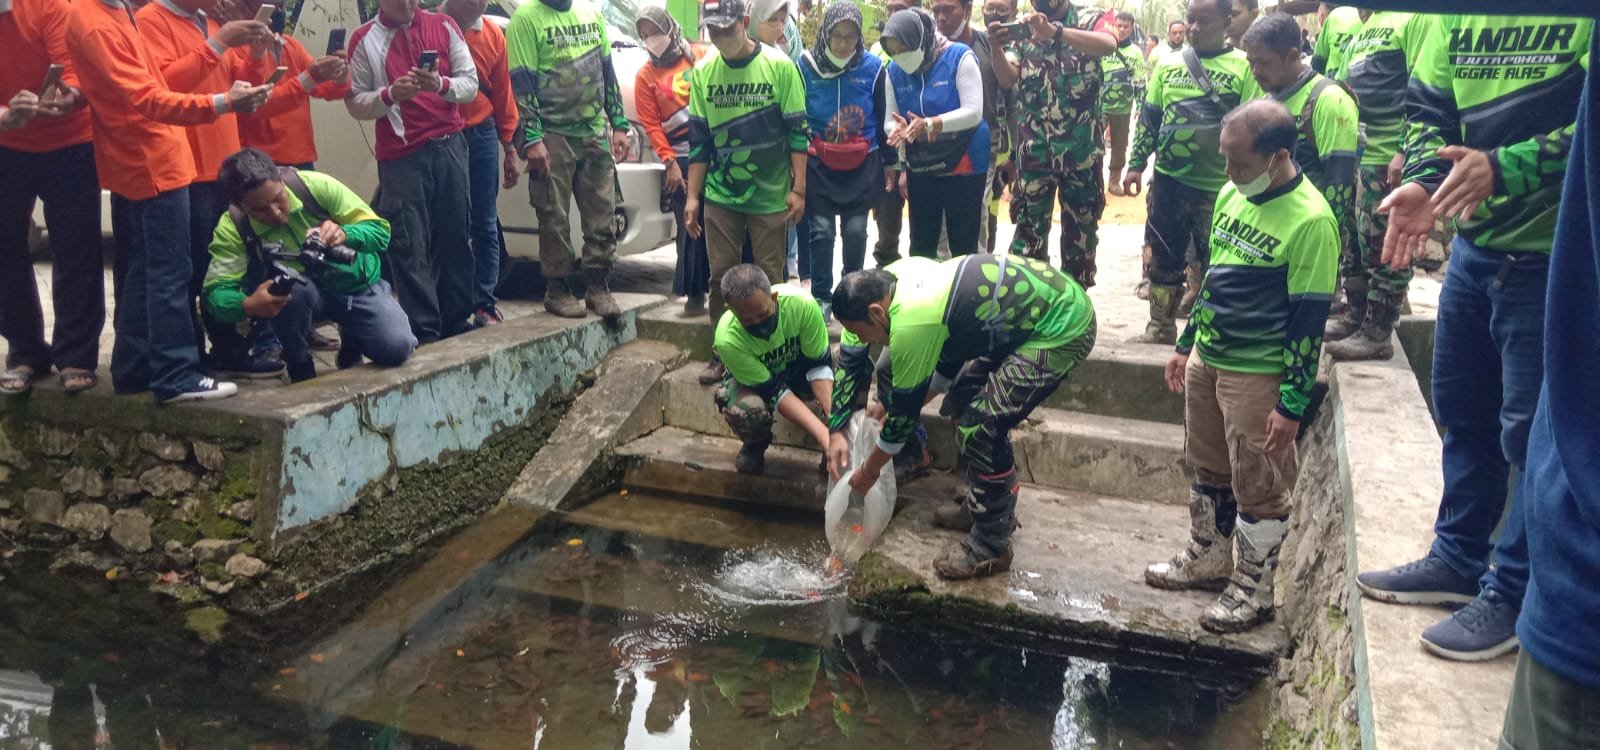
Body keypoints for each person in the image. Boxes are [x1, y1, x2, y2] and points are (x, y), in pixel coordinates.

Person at [1356, 14, 1589, 662]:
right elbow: (1430, 107)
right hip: (1475, 252)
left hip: (1556, 258)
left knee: (1531, 439)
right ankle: (1459, 559)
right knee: (1463, 409)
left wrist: (1503, 168)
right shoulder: (1459, 14)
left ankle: (1513, 594)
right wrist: (1428, 179)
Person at [1144, 100, 1338, 633]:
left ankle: (1253, 591)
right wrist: (1187, 343)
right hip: (1212, 354)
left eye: (1236, 161)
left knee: (1260, 483)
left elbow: (1307, 320)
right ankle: (1208, 556)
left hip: (1258, 369)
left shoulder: (1312, 221)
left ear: (1277, 157)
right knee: (1207, 465)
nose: (1226, 172)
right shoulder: (1232, 194)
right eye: (1223, 159)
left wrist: (1291, 403)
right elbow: (1214, 278)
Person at [829, 253, 1097, 579]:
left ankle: (990, 543)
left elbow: (901, 425)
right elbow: (944, 366)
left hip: (1062, 326)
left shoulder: (912, 321)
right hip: (1022, 320)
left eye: (861, 333)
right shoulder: (897, 278)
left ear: (876, 312)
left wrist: (867, 474)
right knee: (961, 401)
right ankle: (984, 503)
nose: (862, 340)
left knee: (982, 425)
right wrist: (893, 403)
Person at [65, 0, 272, 403]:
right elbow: (148, 98)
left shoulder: (114, 11)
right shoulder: (97, 22)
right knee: (169, 273)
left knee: (147, 271)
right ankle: (175, 373)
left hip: (160, 156)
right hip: (151, 160)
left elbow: (147, 85)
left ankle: (135, 369)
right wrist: (223, 102)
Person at [136, 0, 285, 379]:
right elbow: (162, 87)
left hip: (224, 167)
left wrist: (254, 53)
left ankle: (230, 348)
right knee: (191, 272)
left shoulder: (207, 21)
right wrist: (218, 42)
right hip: (187, 168)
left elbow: (239, 79)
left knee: (230, 264)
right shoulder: (151, 20)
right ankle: (190, 356)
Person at [204, 148, 416, 381]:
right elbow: (216, 293)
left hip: (356, 286)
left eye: (278, 199)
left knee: (397, 347)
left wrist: (346, 234)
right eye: (260, 210)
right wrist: (247, 304)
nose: (275, 213)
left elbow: (381, 232)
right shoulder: (233, 226)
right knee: (291, 288)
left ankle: (352, 339)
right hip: (300, 298)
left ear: (281, 179)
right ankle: (299, 362)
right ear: (240, 206)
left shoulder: (316, 187)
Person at [1124, 0, 1262, 344]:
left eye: (1204, 21)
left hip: (1220, 188)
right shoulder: (1168, 65)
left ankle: (1215, 333)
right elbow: (1150, 119)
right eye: (1191, 20)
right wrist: (1135, 165)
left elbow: (1252, 126)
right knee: (1164, 260)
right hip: (1169, 182)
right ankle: (1160, 327)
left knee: (1218, 261)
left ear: (1227, 21)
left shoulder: (1244, 68)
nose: (1195, 28)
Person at [685, 0, 809, 384]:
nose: (722, 38)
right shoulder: (704, 73)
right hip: (722, 195)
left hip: (771, 195)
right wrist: (693, 197)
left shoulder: (779, 67)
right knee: (721, 276)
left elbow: (798, 132)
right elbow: (699, 142)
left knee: (771, 279)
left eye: (728, 29)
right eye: (714, 31)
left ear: (744, 22)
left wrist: (799, 189)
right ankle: (724, 352)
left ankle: (776, 353)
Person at [347, 0, 479, 343]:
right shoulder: (364, 39)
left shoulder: (443, 25)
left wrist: (439, 85)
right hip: (402, 155)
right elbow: (356, 103)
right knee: (409, 241)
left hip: (449, 143)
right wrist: (390, 95)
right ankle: (424, 326)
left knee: (454, 234)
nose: (406, 3)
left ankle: (457, 318)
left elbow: (470, 84)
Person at [0, 0, 102, 396]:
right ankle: (25, 351)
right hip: (7, 141)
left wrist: (71, 95)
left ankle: (76, 355)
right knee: (5, 247)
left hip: (70, 141)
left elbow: (76, 65)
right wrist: (6, 116)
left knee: (76, 246)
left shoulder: (47, 5)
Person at [506, 0, 631, 321]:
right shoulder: (525, 19)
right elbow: (521, 83)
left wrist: (618, 123)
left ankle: (598, 286)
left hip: (592, 132)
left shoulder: (591, 14)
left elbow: (606, 70)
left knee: (602, 213)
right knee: (554, 216)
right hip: (552, 134)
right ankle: (557, 288)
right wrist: (532, 138)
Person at [1321, 11, 1432, 361]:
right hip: (1358, 154)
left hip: (1388, 160)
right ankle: (1356, 316)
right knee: (1353, 242)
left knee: (1384, 246)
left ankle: (1378, 332)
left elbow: (1422, 89)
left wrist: (1404, 149)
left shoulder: (1410, 18)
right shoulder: (1363, 26)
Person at [988, 0, 1115, 286]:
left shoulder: (1091, 16)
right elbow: (1008, 78)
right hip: (1035, 157)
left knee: (1080, 246)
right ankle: (1033, 315)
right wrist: (996, 47)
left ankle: (1075, 317)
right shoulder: (1023, 28)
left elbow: (1108, 44)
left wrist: (1056, 32)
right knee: (1027, 245)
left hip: (1081, 156)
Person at [1243, 13, 1357, 263]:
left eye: (1264, 63)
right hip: (1271, 234)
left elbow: (1339, 183)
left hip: (1307, 236)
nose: (1254, 72)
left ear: (1292, 56)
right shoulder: (1268, 99)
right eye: (1251, 62)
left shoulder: (1328, 100)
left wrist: (1323, 245)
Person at [800, 0, 888, 320]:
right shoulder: (806, 65)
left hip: (861, 164)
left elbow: (882, 114)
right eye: (837, 35)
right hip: (819, 164)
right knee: (821, 231)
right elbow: (797, 113)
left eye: (851, 36)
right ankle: (822, 298)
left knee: (856, 230)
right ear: (825, 33)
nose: (843, 43)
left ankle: (850, 295)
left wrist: (889, 166)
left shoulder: (873, 67)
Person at [882, 8, 988, 260]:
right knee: (921, 241)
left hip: (965, 157)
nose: (900, 57)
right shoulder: (893, 71)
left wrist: (931, 124)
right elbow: (890, 119)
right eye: (893, 51)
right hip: (923, 161)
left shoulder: (959, 57)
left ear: (920, 39)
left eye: (904, 49)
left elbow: (974, 112)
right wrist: (896, 129)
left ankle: (965, 295)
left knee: (963, 241)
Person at [712, 264, 834, 474]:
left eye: (763, 313)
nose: (758, 324)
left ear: (774, 298)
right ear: (730, 310)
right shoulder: (727, 339)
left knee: (854, 369)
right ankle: (755, 444)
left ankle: (838, 445)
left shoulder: (802, 305)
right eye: (747, 320)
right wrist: (822, 435)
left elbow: (819, 367)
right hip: (759, 384)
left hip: (798, 369)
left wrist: (835, 425)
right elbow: (775, 391)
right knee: (746, 409)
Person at [444, 0, 518, 329]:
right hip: (443, 134)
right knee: (448, 220)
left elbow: (503, 93)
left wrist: (510, 148)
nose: (479, 3)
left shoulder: (491, 34)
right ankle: (451, 303)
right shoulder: (430, 27)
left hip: (482, 132)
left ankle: (485, 302)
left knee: (485, 221)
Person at [634, 6, 710, 317]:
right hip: (678, 158)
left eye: (655, 31)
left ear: (670, 28)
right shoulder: (645, 76)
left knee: (718, 223)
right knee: (689, 226)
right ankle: (693, 293)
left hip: (712, 151)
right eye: (645, 34)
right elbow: (652, 125)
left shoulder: (700, 56)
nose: (652, 39)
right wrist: (670, 164)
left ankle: (723, 288)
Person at [234, 0, 352, 170]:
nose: (280, 11)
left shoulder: (291, 45)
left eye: (282, 6)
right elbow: (258, 104)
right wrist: (309, 78)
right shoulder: (236, 49)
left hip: (302, 154)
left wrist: (340, 73)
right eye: (273, 7)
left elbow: (327, 89)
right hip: (261, 160)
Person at [931, 0, 1007, 254]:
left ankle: (976, 285)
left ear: (968, 8)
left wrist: (1014, 150)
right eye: (936, 10)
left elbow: (1011, 98)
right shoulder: (928, 49)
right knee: (940, 226)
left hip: (980, 150)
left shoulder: (989, 45)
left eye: (948, 9)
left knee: (976, 219)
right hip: (939, 151)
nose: (941, 18)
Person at [868, 0, 918, 269]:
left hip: (920, 148)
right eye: (889, 10)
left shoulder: (927, 49)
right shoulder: (878, 51)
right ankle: (886, 269)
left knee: (923, 222)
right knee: (886, 220)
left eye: (899, 9)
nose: (892, 16)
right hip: (887, 149)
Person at [980, 0, 1020, 253]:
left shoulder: (1022, 45)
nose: (995, 14)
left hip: (1013, 146)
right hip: (982, 143)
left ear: (1014, 12)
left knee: (1013, 210)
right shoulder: (974, 42)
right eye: (989, 7)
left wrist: (1016, 154)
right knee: (985, 210)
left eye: (1002, 9)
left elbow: (1013, 95)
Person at [1102, 12, 1149, 198]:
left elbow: (1139, 81)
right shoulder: (1103, 46)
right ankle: (1095, 179)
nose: (1121, 29)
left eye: (1125, 26)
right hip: (1101, 106)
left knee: (1120, 146)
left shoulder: (1136, 53)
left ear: (1131, 28)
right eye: (1118, 25)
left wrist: (1141, 104)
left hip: (1123, 108)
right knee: (1093, 143)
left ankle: (1114, 182)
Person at [1311, 3, 1361, 78]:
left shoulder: (1333, 16)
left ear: (1321, 17)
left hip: (1333, 79)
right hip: (1360, 78)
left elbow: (1318, 60)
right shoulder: (1367, 15)